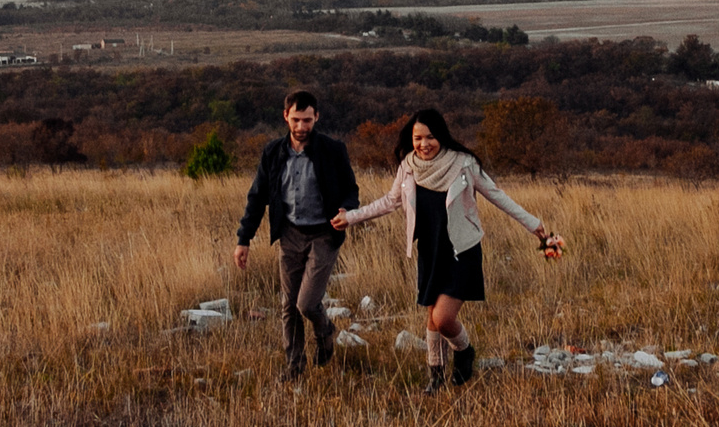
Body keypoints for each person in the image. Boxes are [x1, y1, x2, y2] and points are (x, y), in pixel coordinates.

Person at [336, 106, 558, 393]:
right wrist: (350, 217)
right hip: (430, 249)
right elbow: (388, 202)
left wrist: (533, 224)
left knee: (443, 319)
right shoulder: (408, 167)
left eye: (430, 137)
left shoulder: (463, 163)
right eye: (418, 138)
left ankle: (464, 351)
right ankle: (436, 375)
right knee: (431, 318)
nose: (424, 144)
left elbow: (496, 195)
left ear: (441, 136)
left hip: (461, 250)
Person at [234, 89, 360, 381]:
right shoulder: (273, 152)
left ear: (317, 117)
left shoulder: (332, 150)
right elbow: (258, 197)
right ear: (285, 117)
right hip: (289, 233)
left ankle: (326, 331)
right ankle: (294, 367)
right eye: (296, 120)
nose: (301, 127)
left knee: (306, 303)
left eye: (307, 120)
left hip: (324, 233)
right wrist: (244, 239)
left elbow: (350, 189)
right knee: (288, 306)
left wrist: (347, 209)